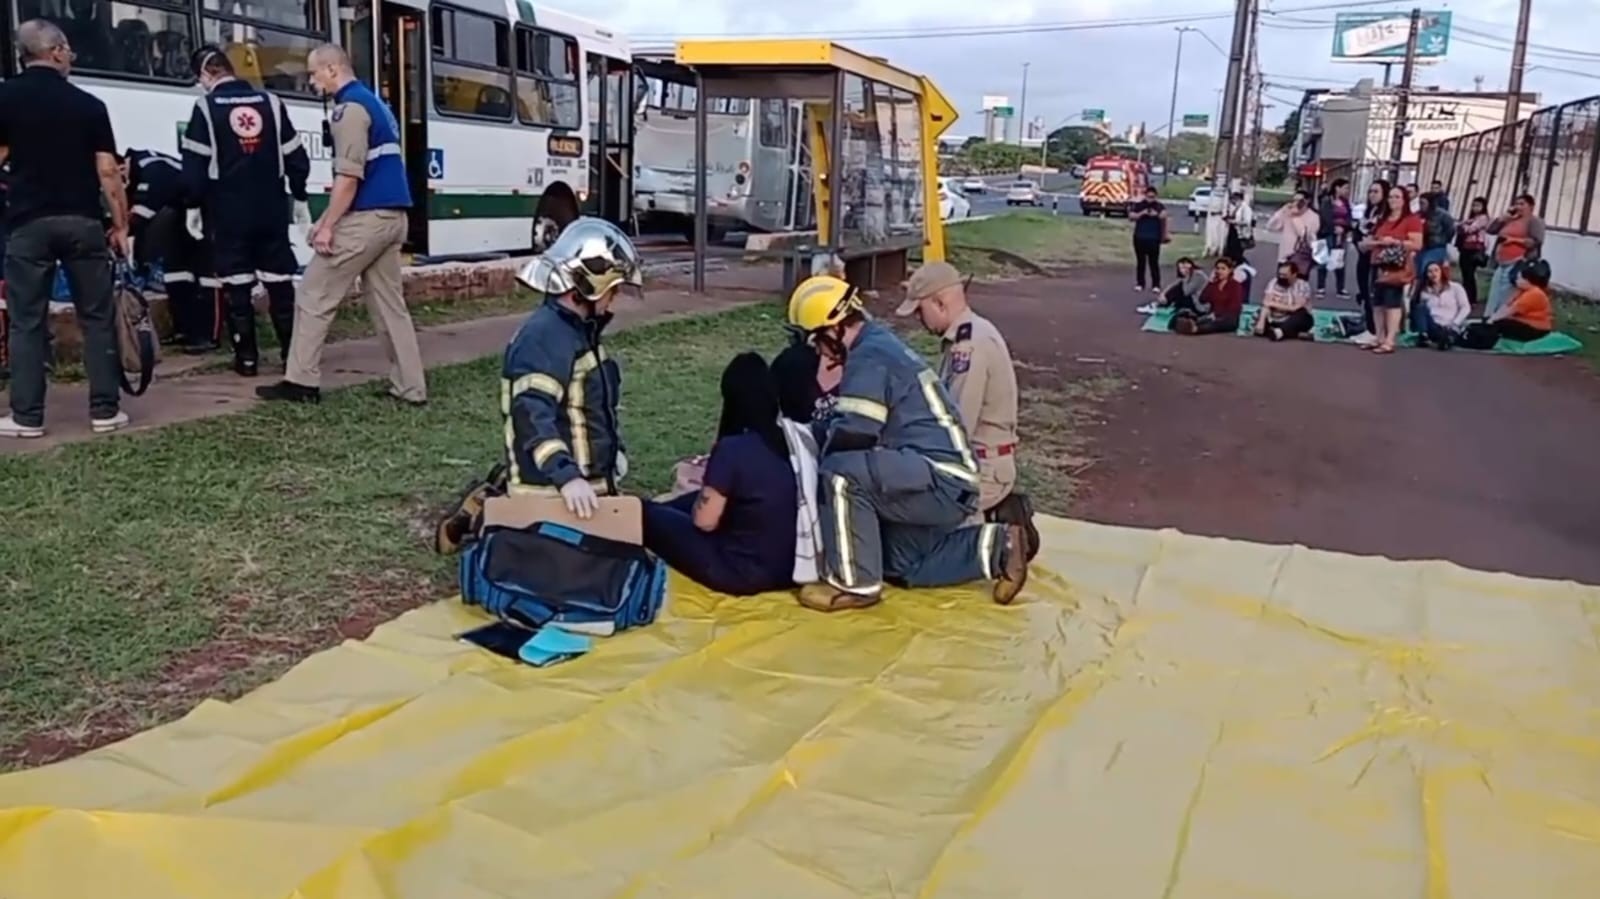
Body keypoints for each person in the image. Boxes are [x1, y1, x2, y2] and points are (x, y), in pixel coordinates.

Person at [784, 274, 1033, 612]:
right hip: (949, 479)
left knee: (839, 472)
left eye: (814, 341)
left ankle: (854, 585)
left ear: (833, 330)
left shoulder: (867, 357)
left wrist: (810, 448)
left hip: (938, 477)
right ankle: (999, 545)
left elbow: (855, 431)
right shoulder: (877, 345)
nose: (816, 352)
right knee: (901, 562)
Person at [257, 44, 426, 405]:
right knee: (389, 305)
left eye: (315, 75)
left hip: (367, 217)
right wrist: (327, 218)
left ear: (332, 69)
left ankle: (301, 382)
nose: (313, 83)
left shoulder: (348, 110)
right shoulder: (376, 103)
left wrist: (329, 226)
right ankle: (411, 387)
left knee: (314, 292)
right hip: (394, 216)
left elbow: (349, 176)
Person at [0, 20, 130, 440]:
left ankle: (27, 417)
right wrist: (121, 226)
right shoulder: (89, 105)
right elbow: (108, 172)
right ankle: (106, 411)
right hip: (83, 223)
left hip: (28, 225)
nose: (71, 56)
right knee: (97, 316)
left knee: (26, 321)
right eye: (68, 50)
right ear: (55, 51)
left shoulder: (5, 98)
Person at [180, 45, 311, 377]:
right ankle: (291, 356)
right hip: (271, 208)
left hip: (228, 212)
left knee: (237, 285)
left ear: (206, 75)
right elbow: (296, 157)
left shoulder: (206, 107)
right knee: (280, 283)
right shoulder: (271, 103)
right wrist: (299, 196)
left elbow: (194, 166)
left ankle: (247, 360)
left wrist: (192, 205)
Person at [893, 261, 1037, 556]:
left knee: (915, 548)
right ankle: (996, 516)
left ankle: (1000, 539)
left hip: (980, 470)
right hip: (983, 462)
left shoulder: (967, 347)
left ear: (940, 302)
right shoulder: (970, 335)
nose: (919, 320)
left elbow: (957, 427)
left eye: (921, 311)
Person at [641, 353, 801, 596]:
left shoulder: (732, 449)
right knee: (681, 505)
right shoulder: (797, 441)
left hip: (740, 573)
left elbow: (704, 522)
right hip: (792, 570)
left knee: (644, 513)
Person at [123, 147, 217, 355]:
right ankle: (185, 329)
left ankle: (208, 335)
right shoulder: (135, 173)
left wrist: (121, 231)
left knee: (206, 276)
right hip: (179, 214)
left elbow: (143, 211)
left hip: (204, 212)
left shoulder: (150, 166)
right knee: (176, 275)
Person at [1359, 184, 1422, 354]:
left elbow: (1417, 244)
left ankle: (1389, 340)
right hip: (1377, 263)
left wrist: (1395, 242)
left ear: (1404, 200)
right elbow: (1371, 239)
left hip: (1396, 266)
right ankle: (1379, 337)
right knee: (1377, 302)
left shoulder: (1411, 220)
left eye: (1397, 197)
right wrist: (1374, 242)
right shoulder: (1383, 218)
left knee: (1392, 302)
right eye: (1391, 197)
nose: (1393, 200)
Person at [1484, 193, 1545, 318]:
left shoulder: (1534, 221)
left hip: (1518, 262)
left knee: (1507, 293)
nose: (1518, 206)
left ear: (1531, 206)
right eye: (1516, 203)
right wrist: (1503, 218)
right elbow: (1490, 230)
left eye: (1522, 204)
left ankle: (1500, 318)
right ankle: (1489, 317)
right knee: (1495, 292)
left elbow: (1536, 241)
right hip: (1501, 262)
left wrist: (1514, 240)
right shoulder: (1511, 219)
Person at [1351, 178, 1390, 345]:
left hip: (1376, 259)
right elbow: (1358, 231)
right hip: (1363, 256)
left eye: (1376, 192)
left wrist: (1369, 243)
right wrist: (1358, 241)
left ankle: (1375, 330)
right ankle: (1370, 327)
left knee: (1372, 293)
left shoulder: (1385, 215)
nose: (1372, 195)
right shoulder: (1369, 212)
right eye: (1370, 191)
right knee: (1364, 291)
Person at [1483, 258, 1554, 343]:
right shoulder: (1521, 290)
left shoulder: (1535, 294)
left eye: (1519, 278)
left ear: (1528, 280)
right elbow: (1506, 306)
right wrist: (1492, 318)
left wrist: (1492, 320)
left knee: (1499, 325)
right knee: (1492, 322)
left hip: (1536, 328)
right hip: (1523, 321)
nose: (1516, 279)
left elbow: (1510, 311)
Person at [1172, 257, 1245, 335]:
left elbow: (1234, 307)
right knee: (1203, 320)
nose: (1219, 271)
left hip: (1229, 318)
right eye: (1218, 268)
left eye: (1223, 269)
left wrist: (1217, 314)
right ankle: (1187, 326)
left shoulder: (1235, 285)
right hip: (1213, 315)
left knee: (1214, 324)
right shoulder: (1214, 285)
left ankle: (1196, 329)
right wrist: (1210, 282)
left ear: (1230, 270)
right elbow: (1202, 298)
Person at [1252, 260, 1315, 341]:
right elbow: (1266, 303)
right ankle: (1286, 333)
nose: (1281, 277)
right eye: (1280, 274)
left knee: (1302, 315)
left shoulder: (1303, 285)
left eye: (1285, 275)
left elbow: (1295, 308)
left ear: (1294, 275)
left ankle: (1280, 332)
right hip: (1275, 317)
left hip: (1293, 319)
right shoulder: (1273, 282)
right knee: (1259, 313)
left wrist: (1273, 304)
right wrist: (1261, 320)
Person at [1414, 261, 1470, 350]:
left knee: (1449, 334)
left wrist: (1455, 323)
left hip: (1451, 324)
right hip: (1434, 324)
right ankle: (1424, 336)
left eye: (1436, 270)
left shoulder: (1455, 287)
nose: (1433, 274)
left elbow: (1465, 307)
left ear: (1441, 272)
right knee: (1420, 308)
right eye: (1430, 271)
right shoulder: (1424, 291)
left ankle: (1446, 340)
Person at [1266, 189, 1319, 279]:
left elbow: (1304, 234)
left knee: (1298, 286)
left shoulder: (1314, 217)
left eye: (1300, 200)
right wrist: (1282, 211)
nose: (1296, 203)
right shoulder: (1287, 213)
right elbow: (1271, 226)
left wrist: (1295, 217)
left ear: (1307, 201)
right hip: (1285, 256)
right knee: (1281, 284)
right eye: (1294, 200)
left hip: (1301, 258)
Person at [1314, 179, 1352, 298]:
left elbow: (1349, 217)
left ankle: (1340, 289)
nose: (1347, 191)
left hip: (1341, 235)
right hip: (1326, 234)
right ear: (1337, 188)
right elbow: (1325, 216)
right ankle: (1321, 287)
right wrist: (1334, 228)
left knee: (1339, 260)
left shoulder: (1345, 202)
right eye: (1345, 188)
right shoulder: (1327, 200)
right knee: (1323, 261)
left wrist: (1344, 228)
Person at [1454, 196, 1491, 309]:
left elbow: (1470, 229)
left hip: (1474, 248)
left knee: (1469, 274)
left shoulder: (1483, 218)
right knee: (1465, 273)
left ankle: (1471, 299)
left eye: (1478, 205)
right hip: (1465, 247)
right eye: (1474, 205)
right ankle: (1466, 297)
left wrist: (1463, 225)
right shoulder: (1471, 218)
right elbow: (1458, 227)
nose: (1475, 208)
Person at [1129, 185, 1167, 293]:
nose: (1150, 199)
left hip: (1154, 238)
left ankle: (1156, 284)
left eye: (1153, 197)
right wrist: (1142, 213)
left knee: (1154, 262)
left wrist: (1156, 214)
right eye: (1149, 197)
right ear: (1145, 195)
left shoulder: (1159, 206)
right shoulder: (1139, 205)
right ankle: (1140, 283)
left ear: (1156, 196)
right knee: (1141, 262)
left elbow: (1164, 215)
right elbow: (1131, 216)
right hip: (1140, 237)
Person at [1139, 256, 1206, 315]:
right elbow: (1174, 285)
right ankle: (1158, 304)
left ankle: (1160, 305)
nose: (1183, 270)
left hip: (1200, 305)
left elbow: (1186, 291)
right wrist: (1163, 294)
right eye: (1181, 268)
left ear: (1190, 265)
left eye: (1184, 267)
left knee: (1179, 291)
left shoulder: (1198, 275)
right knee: (1176, 288)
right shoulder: (1189, 276)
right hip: (1192, 300)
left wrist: (1186, 277)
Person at [1221, 189, 1254, 265]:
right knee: (1230, 251)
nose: (1232, 202)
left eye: (1233, 199)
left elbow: (1247, 221)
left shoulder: (1246, 208)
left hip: (1240, 234)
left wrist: (1234, 222)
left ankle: (1242, 265)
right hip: (1233, 231)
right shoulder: (1237, 208)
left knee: (1237, 252)